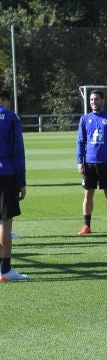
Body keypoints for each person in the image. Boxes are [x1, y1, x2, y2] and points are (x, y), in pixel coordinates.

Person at [76, 90, 107, 235]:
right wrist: (79, 161)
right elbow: (80, 142)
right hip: (89, 163)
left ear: (103, 100)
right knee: (88, 195)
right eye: (91, 100)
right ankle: (86, 226)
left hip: (106, 163)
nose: (93, 102)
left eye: (96, 99)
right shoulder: (85, 119)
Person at [0, 89, 27, 282]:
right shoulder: (10, 117)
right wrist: (21, 181)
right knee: (5, 223)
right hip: (5, 172)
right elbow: (18, 150)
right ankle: (5, 269)